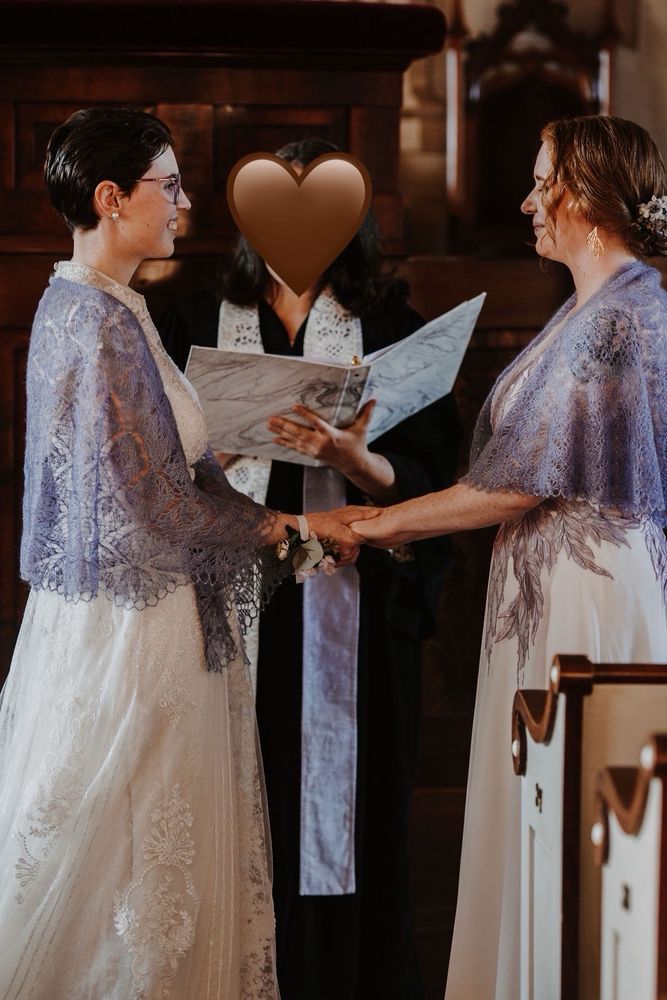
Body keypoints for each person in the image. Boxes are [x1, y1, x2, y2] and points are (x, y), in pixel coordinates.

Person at [0, 108, 369, 1000]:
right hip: (136, 627)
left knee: (146, 853)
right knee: (126, 857)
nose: (183, 204)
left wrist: (267, 505)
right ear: (110, 197)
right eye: (168, 186)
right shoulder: (95, 321)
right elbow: (149, 500)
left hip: (136, 609)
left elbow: (179, 465)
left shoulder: (111, 307)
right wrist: (281, 530)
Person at [351, 114, 667, 999]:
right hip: (557, 585)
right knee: (539, 808)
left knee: (571, 821)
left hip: (587, 599)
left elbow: (517, 484)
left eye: (541, 181)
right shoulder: (596, 304)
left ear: (590, 200)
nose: (527, 200)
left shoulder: (617, 318)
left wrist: (370, 526)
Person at [159, 137, 462, 1000]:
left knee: (351, 822)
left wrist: (356, 457)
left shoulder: (394, 329)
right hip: (230, 602)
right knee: (232, 805)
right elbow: (155, 472)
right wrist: (205, 449)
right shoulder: (191, 321)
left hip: (353, 609)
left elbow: (433, 480)